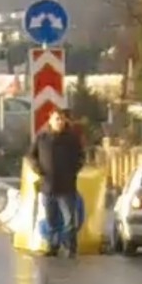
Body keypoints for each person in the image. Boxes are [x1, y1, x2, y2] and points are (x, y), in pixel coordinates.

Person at [28, 107, 85, 257]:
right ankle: (53, 246)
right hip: (48, 186)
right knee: (51, 220)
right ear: (50, 120)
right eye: (57, 119)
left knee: (69, 220)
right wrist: (38, 168)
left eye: (62, 119)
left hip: (67, 187)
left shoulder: (71, 139)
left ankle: (71, 248)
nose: (59, 122)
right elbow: (31, 156)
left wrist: (73, 170)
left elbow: (81, 157)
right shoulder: (42, 137)